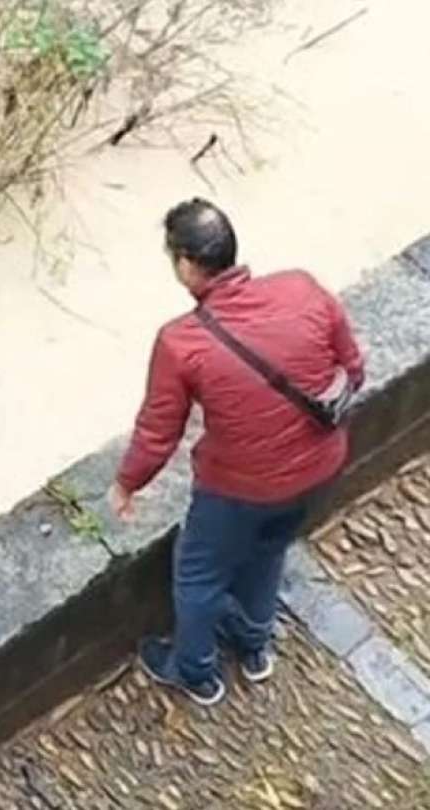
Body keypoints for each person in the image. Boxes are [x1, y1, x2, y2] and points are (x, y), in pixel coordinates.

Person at [107, 198, 364, 707]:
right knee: (267, 552)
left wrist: (127, 483)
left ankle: (195, 671)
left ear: (186, 264)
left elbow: (159, 431)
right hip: (321, 464)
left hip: (240, 489)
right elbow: (352, 369)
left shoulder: (181, 342)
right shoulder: (302, 287)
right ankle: (253, 645)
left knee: (197, 574)